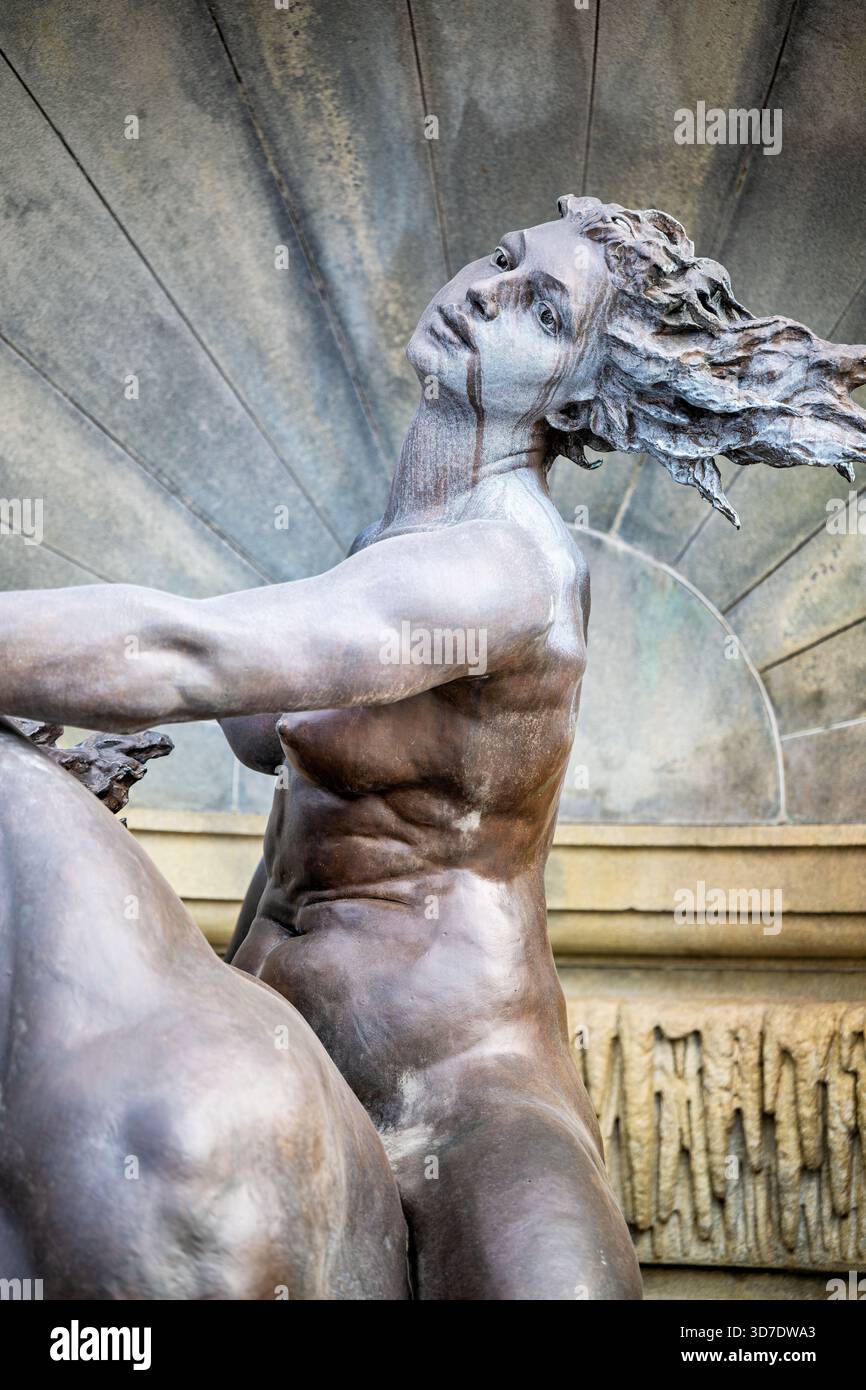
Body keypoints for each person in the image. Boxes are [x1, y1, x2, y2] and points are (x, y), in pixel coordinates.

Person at [3, 195, 864, 1299]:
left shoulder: (506, 570)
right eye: (503, 258)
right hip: (279, 1052)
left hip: (457, 1103)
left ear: (581, 389)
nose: (486, 291)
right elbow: (239, 702)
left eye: (542, 313)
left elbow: (185, 657)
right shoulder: (382, 551)